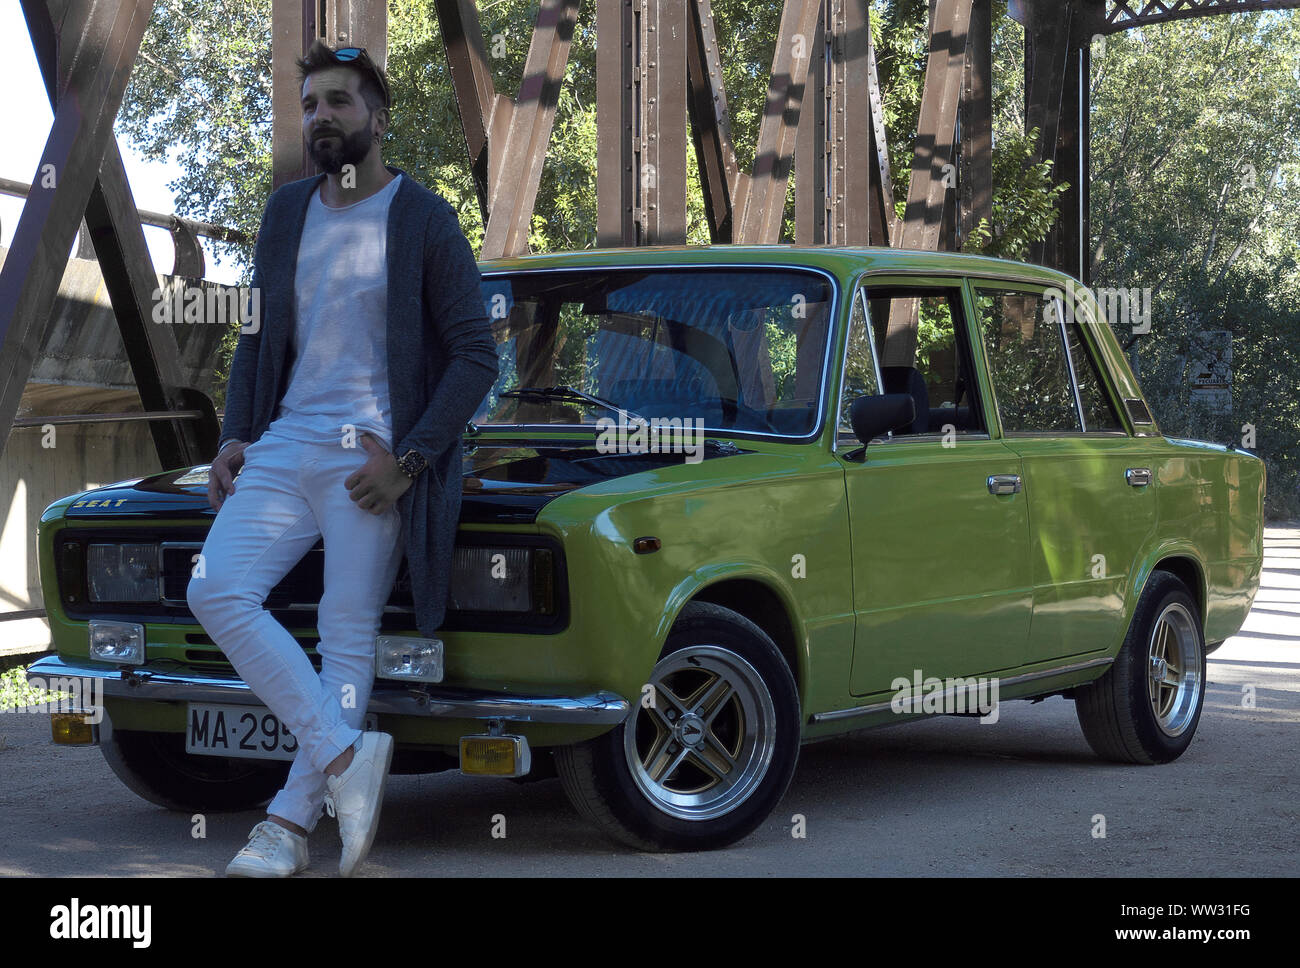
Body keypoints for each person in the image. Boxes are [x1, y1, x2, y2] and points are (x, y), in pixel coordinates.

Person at [186, 40, 498, 877]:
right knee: (215, 587)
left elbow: (475, 355)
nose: (320, 117)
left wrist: (412, 458)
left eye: (337, 103)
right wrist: (232, 435)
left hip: (374, 457)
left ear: (376, 118)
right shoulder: (285, 212)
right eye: (310, 105)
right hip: (285, 443)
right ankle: (342, 757)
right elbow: (258, 336)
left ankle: (285, 828)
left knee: (345, 635)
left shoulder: (424, 219)